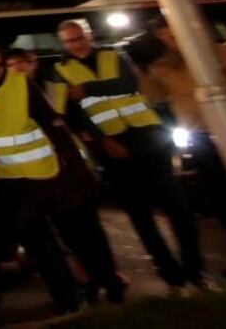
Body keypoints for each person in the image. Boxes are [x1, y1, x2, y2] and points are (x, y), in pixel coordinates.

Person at [0, 40, 121, 313]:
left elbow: (54, 128)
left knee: (74, 235)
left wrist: (77, 170)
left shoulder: (22, 85)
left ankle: (104, 285)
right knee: (35, 242)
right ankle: (66, 295)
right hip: (11, 181)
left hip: (48, 177)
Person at [52, 20, 206, 294]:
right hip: (112, 146)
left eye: (79, 38)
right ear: (62, 44)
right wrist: (102, 140)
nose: (76, 44)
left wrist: (86, 90)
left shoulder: (114, 55)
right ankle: (173, 278)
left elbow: (130, 83)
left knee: (178, 206)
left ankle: (196, 272)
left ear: (89, 35)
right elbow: (67, 112)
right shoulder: (58, 71)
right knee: (140, 216)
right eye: (69, 41)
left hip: (148, 135)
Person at [138, 16, 226, 280]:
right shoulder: (162, 64)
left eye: (173, 34)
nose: (171, 40)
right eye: (165, 37)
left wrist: (219, 96)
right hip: (198, 136)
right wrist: (142, 70)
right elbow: (152, 96)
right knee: (221, 199)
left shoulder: (213, 52)